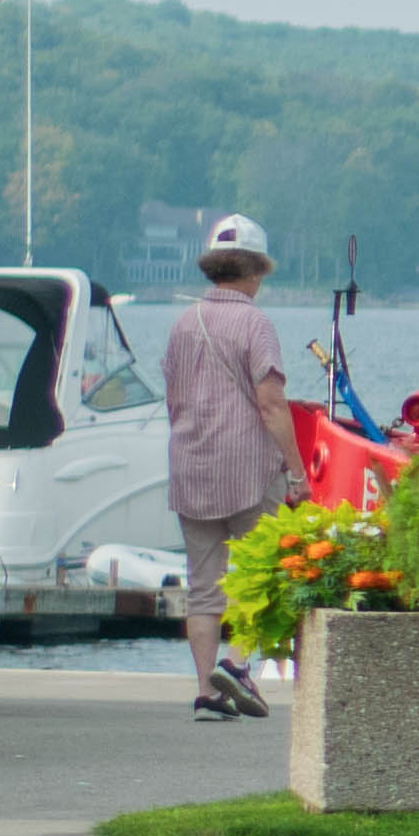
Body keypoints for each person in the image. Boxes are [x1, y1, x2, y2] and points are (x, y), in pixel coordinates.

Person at [159, 215, 300, 725]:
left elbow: (173, 399)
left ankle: (205, 693)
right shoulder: (255, 323)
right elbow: (271, 402)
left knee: (203, 585)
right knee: (262, 574)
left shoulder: (182, 323)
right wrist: (297, 469)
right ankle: (237, 665)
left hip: (191, 467)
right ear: (257, 270)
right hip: (248, 468)